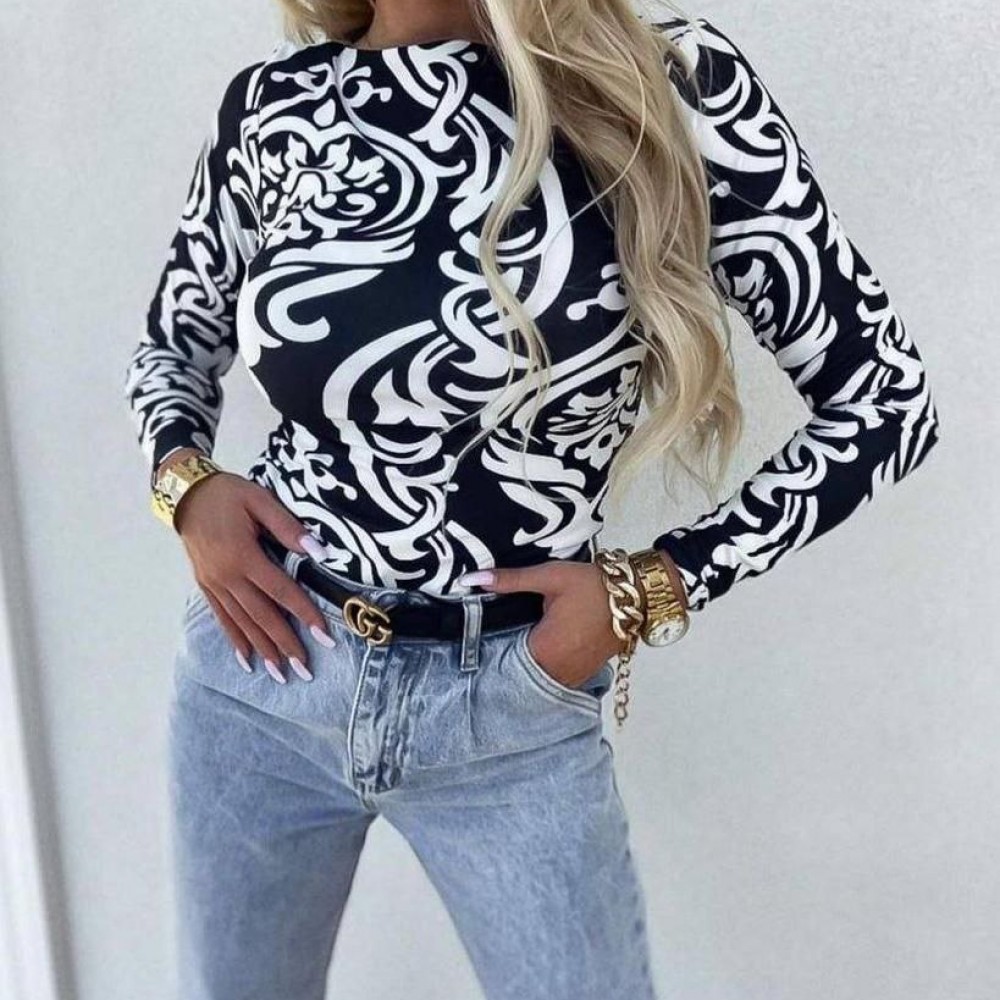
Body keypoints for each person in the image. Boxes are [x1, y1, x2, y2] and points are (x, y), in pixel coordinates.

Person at [122, 2, 941, 997]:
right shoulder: (274, 105)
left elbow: (884, 398)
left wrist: (650, 588)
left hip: (508, 706)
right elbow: (174, 342)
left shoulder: (670, 84)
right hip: (261, 670)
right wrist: (185, 483)